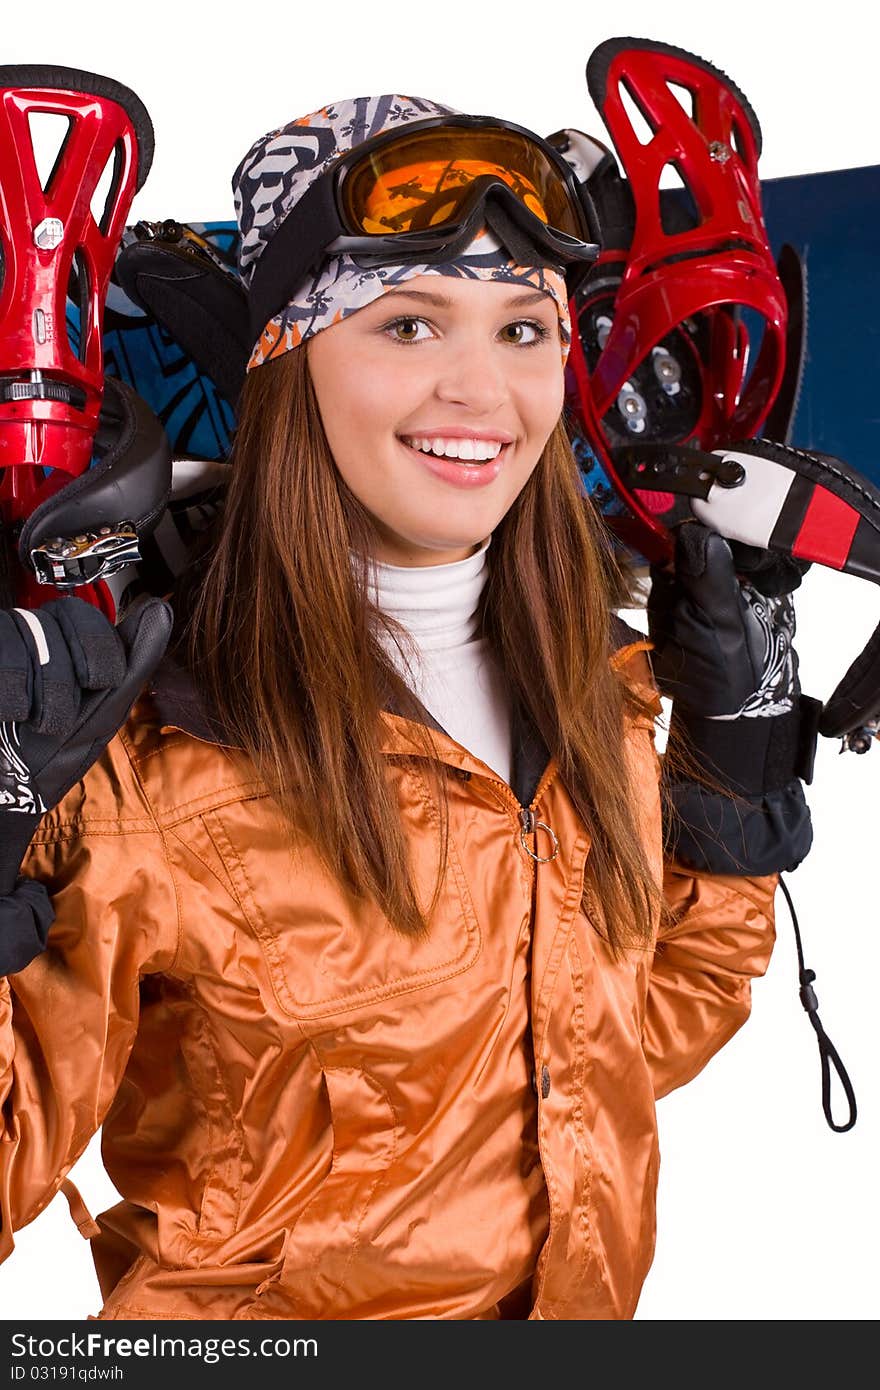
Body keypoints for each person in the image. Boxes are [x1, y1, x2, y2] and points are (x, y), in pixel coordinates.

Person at [0, 93, 816, 1321]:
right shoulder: (145, 754)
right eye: (410, 323)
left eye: (525, 329)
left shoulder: (598, 685)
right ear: (288, 358)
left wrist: (728, 794)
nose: (482, 393)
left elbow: (623, 1049)